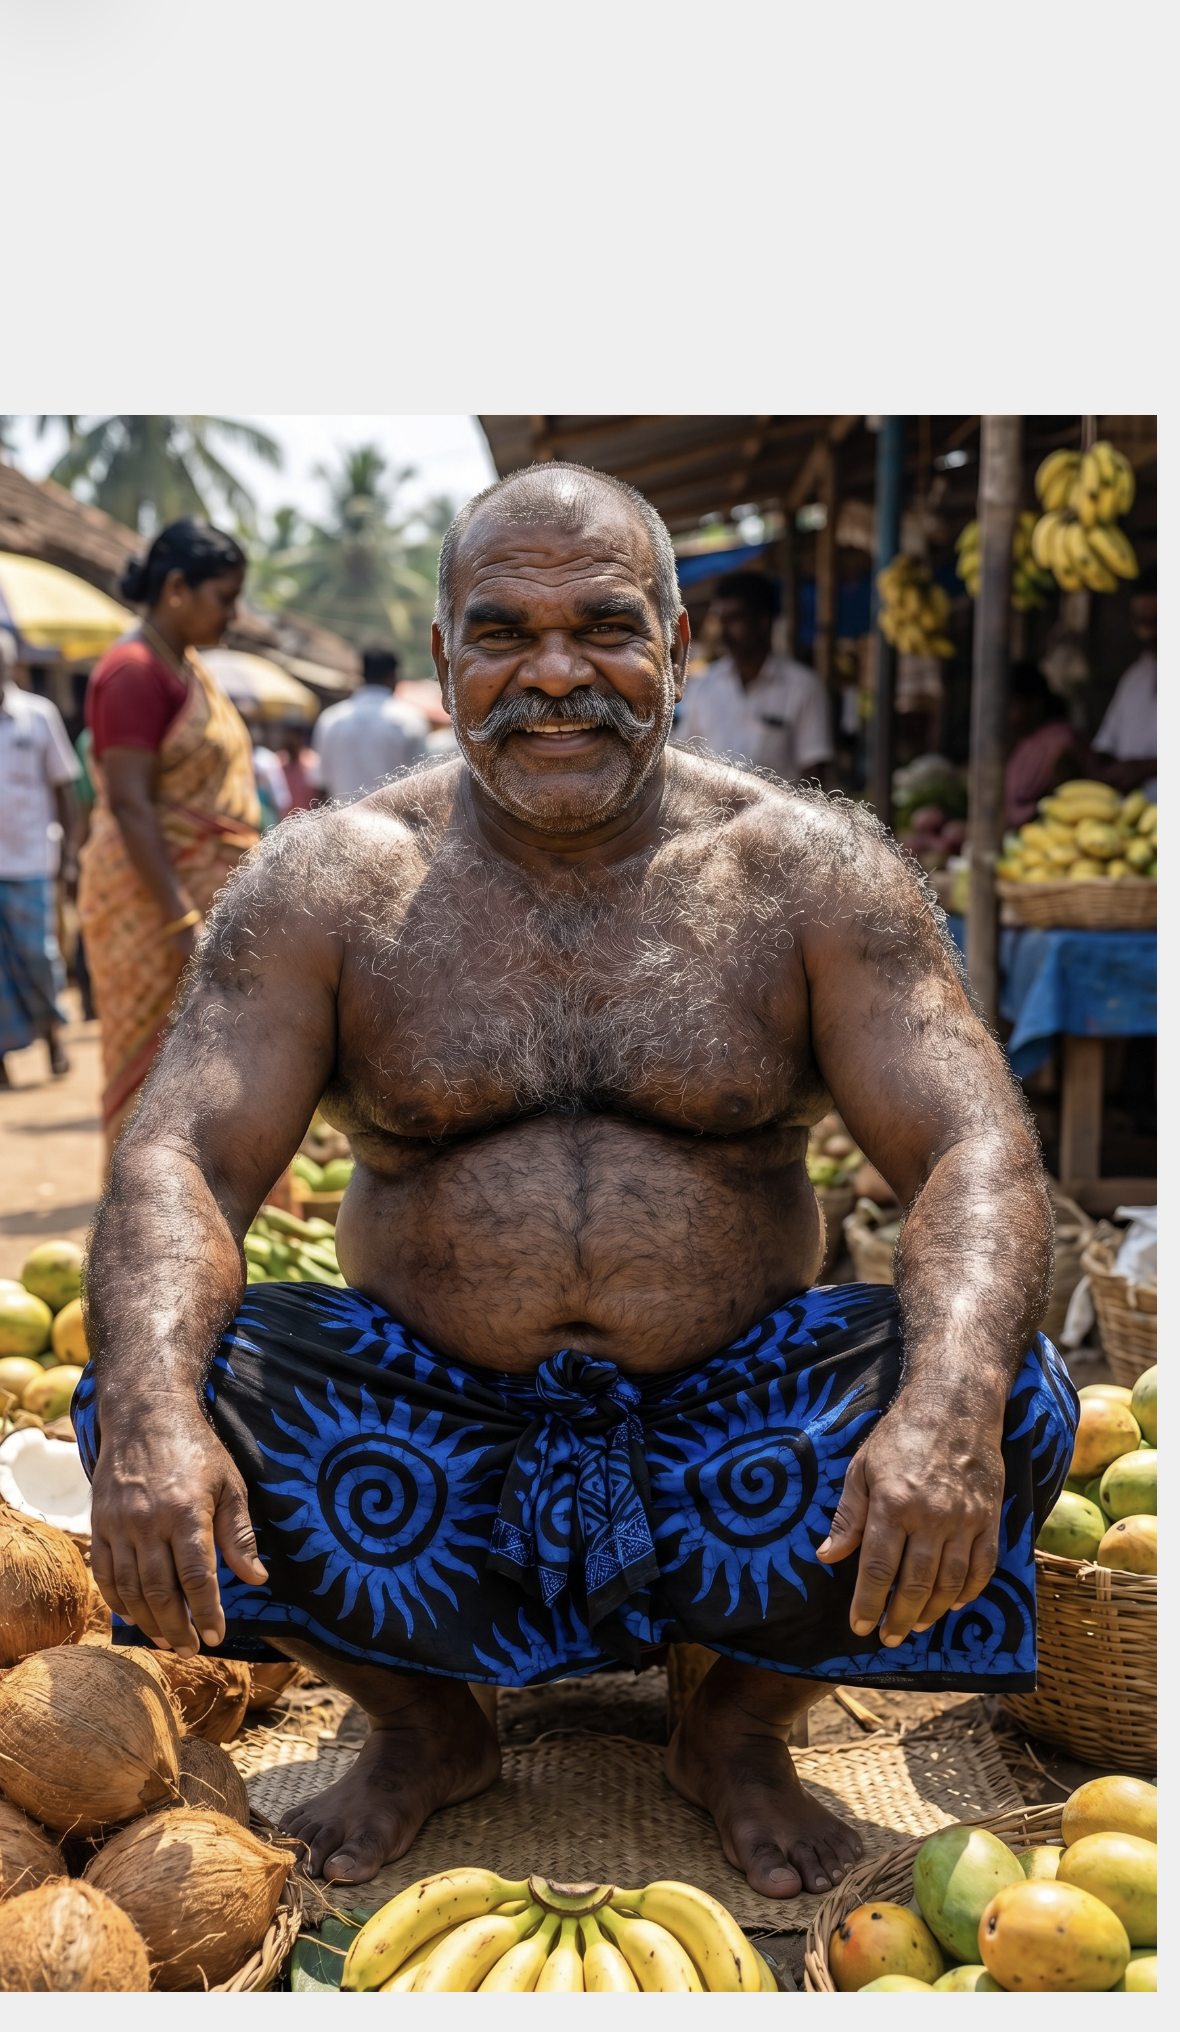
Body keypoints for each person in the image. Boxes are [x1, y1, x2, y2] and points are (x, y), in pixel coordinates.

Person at [76, 464, 1074, 1907]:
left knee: (1004, 1385)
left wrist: (944, 1405)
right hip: (418, 1454)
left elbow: (974, 1145)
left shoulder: (801, 873)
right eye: (503, 633)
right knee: (142, 1387)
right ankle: (428, 1724)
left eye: (603, 626)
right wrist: (164, 1416)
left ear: (674, 646)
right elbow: (182, 1157)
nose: (555, 676)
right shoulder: (334, 883)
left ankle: (729, 1727)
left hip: (728, 1445)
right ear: (443, 661)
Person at [76, 521, 261, 1155]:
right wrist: (179, 918)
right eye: (225, 597)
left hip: (197, 898)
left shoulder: (185, 669)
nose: (233, 615)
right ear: (177, 588)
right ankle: (140, 1234)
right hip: (150, 904)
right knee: (152, 1070)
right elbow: (130, 806)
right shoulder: (132, 673)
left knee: (219, 1066)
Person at [0, 626, 80, 1087]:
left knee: (37, 957)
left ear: (10, 667)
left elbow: (65, 789)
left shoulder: (38, 716)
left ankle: (53, 1037)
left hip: (29, 863)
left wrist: (72, 853)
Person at [675, 568, 833, 784]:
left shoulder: (803, 687)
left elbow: (815, 773)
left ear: (763, 622)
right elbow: (683, 757)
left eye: (735, 619)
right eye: (722, 619)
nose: (725, 630)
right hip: (709, 816)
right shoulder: (704, 686)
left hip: (780, 817)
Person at [314, 647, 431, 801]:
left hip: (339, 821)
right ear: (393, 676)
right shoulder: (411, 721)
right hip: (393, 822)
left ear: (362, 675)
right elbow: (421, 785)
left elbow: (320, 785)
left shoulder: (331, 720)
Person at [1090, 594, 1157, 796]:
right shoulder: (1135, 678)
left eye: (1155, 621)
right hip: (1129, 815)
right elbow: (1106, 744)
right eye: (1140, 622)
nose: (1146, 633)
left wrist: (1149, 768)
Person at [1004, 663, 1084, 830]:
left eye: (1012, 704)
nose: (1006, 714)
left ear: (1035, 704)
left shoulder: (1059, 740)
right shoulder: (1021, 743)